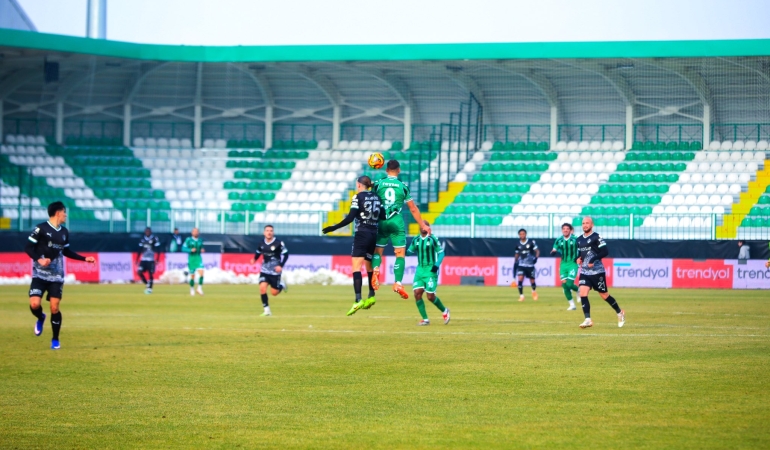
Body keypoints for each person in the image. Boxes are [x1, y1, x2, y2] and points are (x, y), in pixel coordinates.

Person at [25, 201, 95, 350]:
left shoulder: (64, 232)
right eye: (64, 212)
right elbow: (28, 247)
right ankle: (40, 317)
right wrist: (40, 259)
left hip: (56, 276)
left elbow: (67, 251)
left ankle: (55, 339)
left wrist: (84, 258)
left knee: (54, 308)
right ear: (58, 213)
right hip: (39, 275)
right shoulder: (40, 228)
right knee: (34, 304)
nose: (65, 215)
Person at [370, 159, 429, 299]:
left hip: (382, 221)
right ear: (399, 170)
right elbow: (413, 209)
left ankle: (376, 269)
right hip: (397, 222)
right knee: (399, 254)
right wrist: (423, 225)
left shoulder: (378, 184)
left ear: (386, 170)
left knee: (377, 251)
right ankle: (397, 283)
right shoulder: (403, 187)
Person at [322, 176, 381, 316]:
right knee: (369, 265)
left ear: (359, 185)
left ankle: (358, 299)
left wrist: (333, 228)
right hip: (374, 234)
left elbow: (350, 218)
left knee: (356, 267)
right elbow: (382, 215)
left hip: (362, 234)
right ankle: (371, 295)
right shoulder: (377, 197)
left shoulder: (357, 197)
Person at [575, 217, 625, 329]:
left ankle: (619, 312)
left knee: (604, 295)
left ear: (592, 225)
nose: (585, 225)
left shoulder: (596, 237)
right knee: (583, 293)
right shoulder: (578, 240)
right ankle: (587, 319)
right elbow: (580, 254)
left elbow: (605, 251)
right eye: (583, 223)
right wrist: (578, 259)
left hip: (597, 272)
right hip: (585, 271)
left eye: (587, 223)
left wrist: (593, 260)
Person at [407, 220, 450, 326]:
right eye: (421, 225)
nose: (423, 227)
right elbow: (409, 252)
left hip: (431, 270)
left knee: (430, 296)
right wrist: (401, 249)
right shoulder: (416, 239)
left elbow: (441, 253)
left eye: (425, 226)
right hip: (420, 270)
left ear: (428, 228)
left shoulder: (433, 239)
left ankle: (445, 311)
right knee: (417, 294)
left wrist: (436, 265)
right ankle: (425, 319)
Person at [250, 225, 289, 316]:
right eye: (267, 230)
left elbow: (286, 255)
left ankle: (282, 285)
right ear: (264, 233)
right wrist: (254, 259)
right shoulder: (261, 243)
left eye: (271, 230)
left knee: (274, 293)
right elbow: (258, 252)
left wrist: (281, 265)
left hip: (275, 271)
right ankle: (267, 311)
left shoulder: (279, 243)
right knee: (262, 288)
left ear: (273, 232)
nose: (269, 232)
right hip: (265, 270)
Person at [551, 223, 580, 310]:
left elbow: (582, 248)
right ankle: (572, 305)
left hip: (573, 263)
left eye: (567, 229)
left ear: (570, 230)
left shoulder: (576, 239)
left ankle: (578, 290)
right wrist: (553, 252)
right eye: (564, 229)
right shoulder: (559, 240)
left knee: (569, 284)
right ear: (562, 230)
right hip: (563, 264)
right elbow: (554, 249)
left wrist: (579, 257)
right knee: (564, 285)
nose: (565, 230)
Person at [513, 228, 539, 302]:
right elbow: (517, 253)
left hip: (530, 265)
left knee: (532, 280)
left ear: (526, 234)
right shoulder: (517, 244)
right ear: (519, 235)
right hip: (521, 265)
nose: (522, 235)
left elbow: (537, 251)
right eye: (520, 234)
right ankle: (521, 296)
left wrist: (536, 258)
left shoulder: (531, 242)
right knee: (520, 278)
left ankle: (533, 291)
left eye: (523, 234)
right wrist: (515, 261)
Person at [136, 227, 161, 294]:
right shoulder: (142, 239)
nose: (147, 232)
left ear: (151, 232)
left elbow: (158, 249)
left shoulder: (154, 238)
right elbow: (140, 249)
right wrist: (137, 259)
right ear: (145, 232)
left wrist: (157, 259)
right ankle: (147, 283)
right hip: (143, 259)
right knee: (139, 272)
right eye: (146, 231)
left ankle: (150, 289)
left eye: (148, 231)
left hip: (151, 259)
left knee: (150, 273)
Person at [183, 228, 205, 296]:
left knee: (201, 273)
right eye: (194, 231)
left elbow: (201, 247)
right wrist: (190, 250)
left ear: (198, 233)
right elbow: (183, 248)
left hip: (198, 258)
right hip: (191, 259)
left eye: (197, 231)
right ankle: (192, 289)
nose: (195, 233)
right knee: (192, 276)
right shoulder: (188, 240)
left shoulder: (200, 240)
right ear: (192, 233)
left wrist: (202, 250)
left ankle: (199, 288)